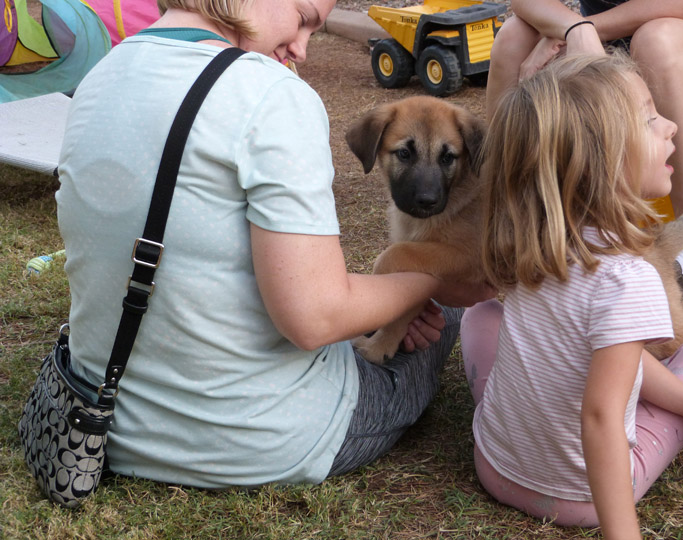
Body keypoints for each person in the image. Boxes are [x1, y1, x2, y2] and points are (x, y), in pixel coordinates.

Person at [55, 0, 492, 488]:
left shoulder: (99, 75)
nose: (303, 49)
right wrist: (432, 278)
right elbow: (316, 320)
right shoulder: (271, 95)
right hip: (261, 441)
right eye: (303, 17)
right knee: (449, 314)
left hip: (102, 423)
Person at [461, 53, 683, 538]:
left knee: (481, 317)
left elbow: (605, 355)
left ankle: (515, 429)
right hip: (578, 499)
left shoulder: (532, 246)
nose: (669, 125)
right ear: (598, 160)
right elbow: (600, 418)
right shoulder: (629, 279)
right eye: (648, 117)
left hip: (492, 465)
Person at [485, 0, 683, 293]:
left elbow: (681, 4)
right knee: (514, 36)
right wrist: (573, 27)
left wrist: (584, 29)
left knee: (657, 40)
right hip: (608, 37)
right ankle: (508, 222)